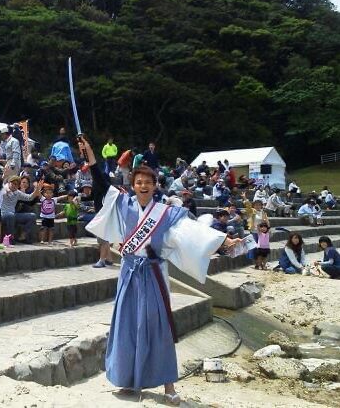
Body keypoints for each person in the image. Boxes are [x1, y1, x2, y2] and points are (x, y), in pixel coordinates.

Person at [79, 136, 236, 403]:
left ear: (154, 186)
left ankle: (169, 387)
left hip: (153, 275)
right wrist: (91, 156)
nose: (142, 186)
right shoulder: (122, 203)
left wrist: (222, 241)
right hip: (129, 274)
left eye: (147, 183)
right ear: (133, 185)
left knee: (158, 328)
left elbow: (192, 233)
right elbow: (101, 183)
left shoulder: (167, 213)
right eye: (138, 182)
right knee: (126, 326)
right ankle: (129, 381)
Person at [1, 175, 42, 243]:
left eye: (16, 185)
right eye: (13, 183)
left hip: (13, 214)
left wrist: (36, 190)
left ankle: (24, 236)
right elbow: (0, 185)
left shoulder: (18, 193)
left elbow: (29, 198)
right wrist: (4, 175)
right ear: (9, 183)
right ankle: (10, 239)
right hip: (2, 214)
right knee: (10, 215)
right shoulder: (3, 189)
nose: (14, 186)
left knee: (32, 216)